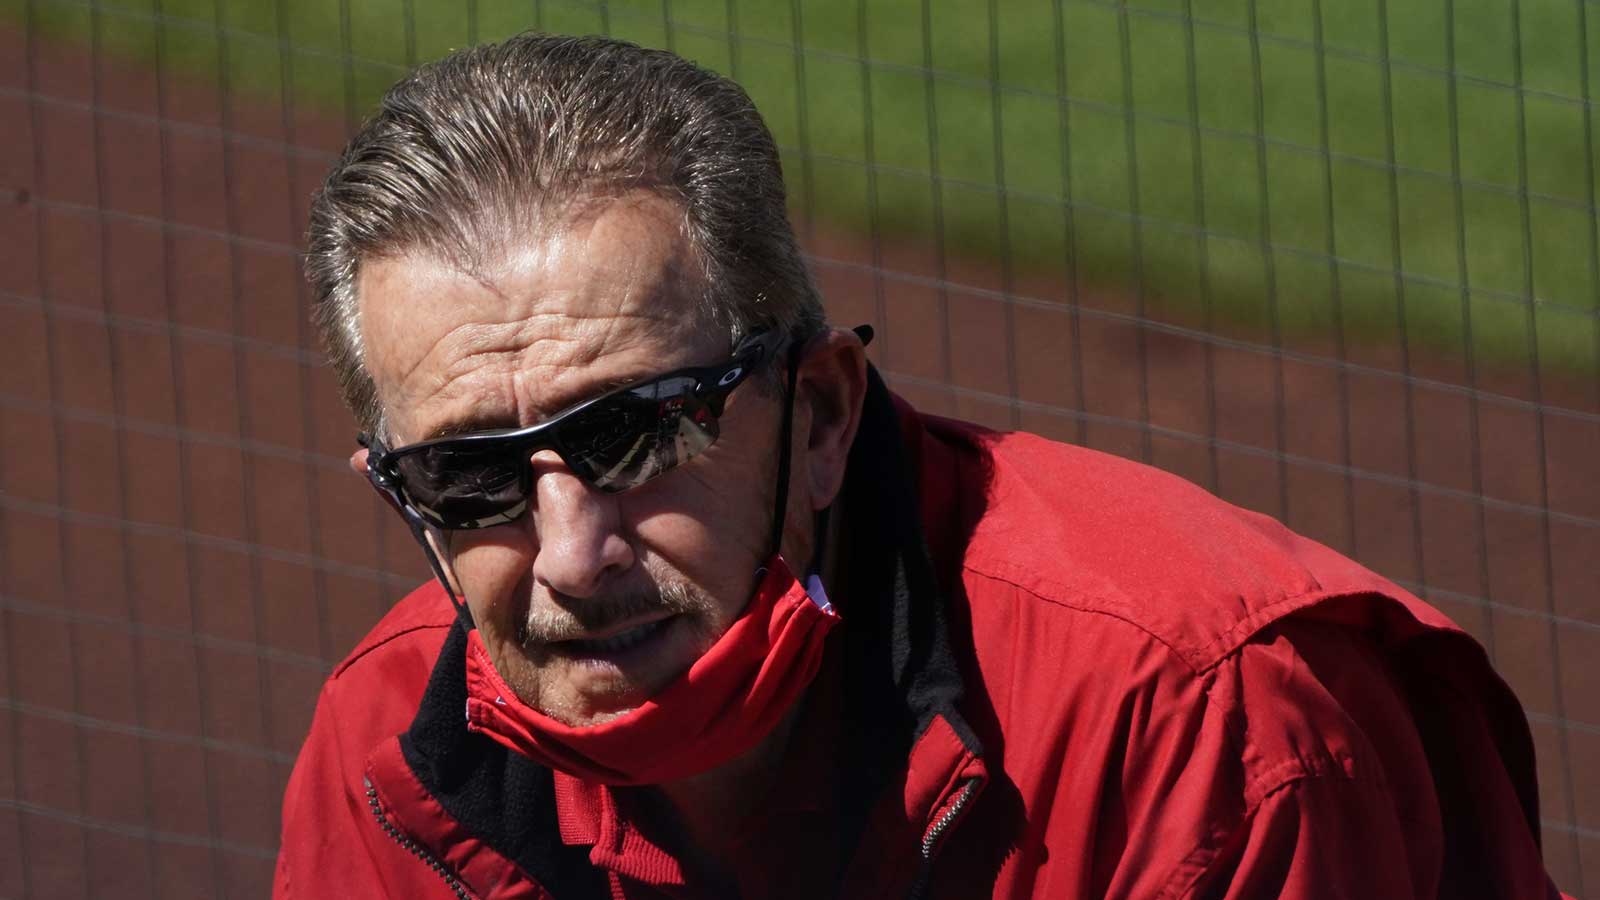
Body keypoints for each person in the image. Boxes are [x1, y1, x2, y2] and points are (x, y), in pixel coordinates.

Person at [274, 33, 1567, 900]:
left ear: (822, 414)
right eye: (468, 479)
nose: (569, 552)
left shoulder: (1188, 723)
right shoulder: (382, 756)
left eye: (635, 433)